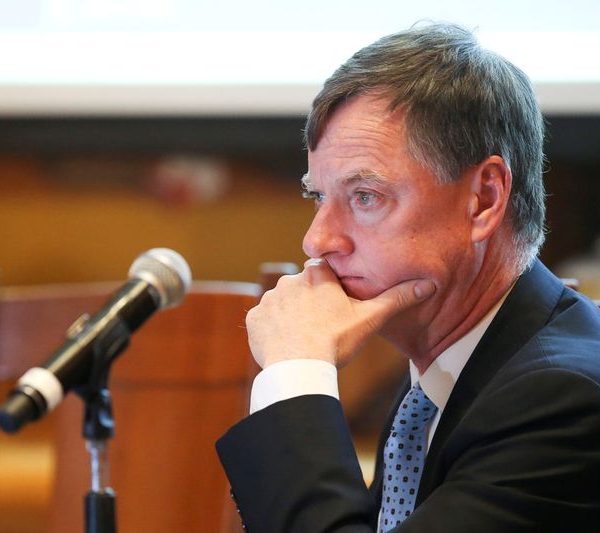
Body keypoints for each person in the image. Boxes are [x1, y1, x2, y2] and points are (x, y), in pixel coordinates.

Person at [217, 22, 600, 532]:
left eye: (365, 197)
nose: (317, 240)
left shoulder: (564, 401)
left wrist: (296, 370)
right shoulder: (445, 373)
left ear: (483, 199)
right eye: (319, 196)